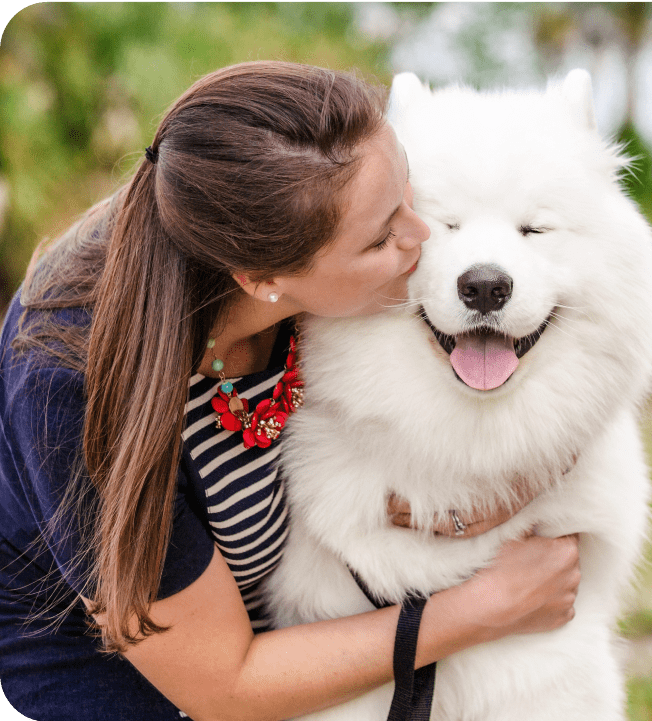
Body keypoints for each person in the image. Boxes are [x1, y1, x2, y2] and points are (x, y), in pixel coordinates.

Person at [0, 61, 581, 721]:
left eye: (410, 199)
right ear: (265, 278)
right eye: (381, 238)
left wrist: (462, 506)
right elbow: (224, 685)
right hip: (130, 675)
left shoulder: (295, 205)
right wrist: (479, 611)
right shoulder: (67, 386)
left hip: (287, 623)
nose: (423, 242)